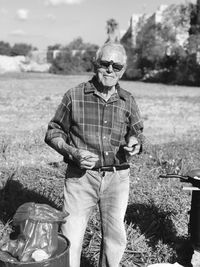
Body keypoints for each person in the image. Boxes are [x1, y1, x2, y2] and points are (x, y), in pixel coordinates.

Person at [44, 41, 144, 267]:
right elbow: (53, 132)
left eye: (116, 66)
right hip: (81, 177)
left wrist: (135, 142)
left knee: (114, 241)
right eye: (105, 63)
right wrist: (72, 152)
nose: (110, 70)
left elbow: (137, 132)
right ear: (95, 64)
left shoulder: (128, 100)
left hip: (118, 179)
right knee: (70, 239)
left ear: (123, 70)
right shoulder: (74, 95)